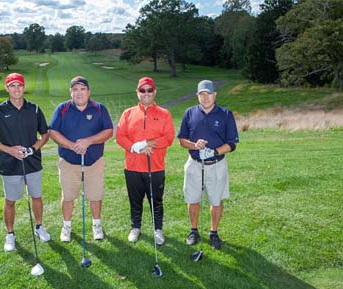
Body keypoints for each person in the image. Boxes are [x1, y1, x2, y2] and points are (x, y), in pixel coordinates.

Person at [0, 72, 51, 252]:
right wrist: (9, 150)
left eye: (19, 85)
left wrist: (33, 149)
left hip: (32, 161)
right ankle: (10, 234)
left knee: (36, 196)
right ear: (7, 88)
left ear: (24, 87)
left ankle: (39, 227)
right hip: (9, 163)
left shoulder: (34, 109)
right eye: (12, 85)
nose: (16, 89)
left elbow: (45, 135)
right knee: (10, 200)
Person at [49, 76, 113, 242]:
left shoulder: (99, 109)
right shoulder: (62, 109)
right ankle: (67, 226)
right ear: (71, 92)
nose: (79, 93)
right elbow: (53, 132)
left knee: (95, 196)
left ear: (88, 92)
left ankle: (96, 225)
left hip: (94, 162)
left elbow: (108, 131)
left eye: (82, 89)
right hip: (69, 162)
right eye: (75, 89)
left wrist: (88, 141)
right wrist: (72, 146)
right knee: (68, 196)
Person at [178, 80, 239, 250]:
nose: (205, 98)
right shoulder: (189, 113)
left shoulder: (225, 114)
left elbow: (232, 143)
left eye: (208, 94)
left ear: (215, 95)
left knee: (216, 200)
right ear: (197, 96)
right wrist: (194, 145)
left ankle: (213, 233)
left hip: (217, 164)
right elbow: (182, 141)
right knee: (192, 198)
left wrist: (214, 151)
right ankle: (194, 231)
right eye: (202, 94)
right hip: (195, 163)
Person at [116, 77, 175, 245]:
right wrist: (136, 147)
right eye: (143, 90)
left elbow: (169, 137)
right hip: (133, 167)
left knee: (156, 201)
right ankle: (135, 227)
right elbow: (120, 136)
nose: (146, 93)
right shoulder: (128, 113)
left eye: (150, 90)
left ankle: (158, 230)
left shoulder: (164, 113)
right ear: (137, 93)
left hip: (155, 167)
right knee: (135, 201)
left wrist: (150, 144)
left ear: (155, 92)